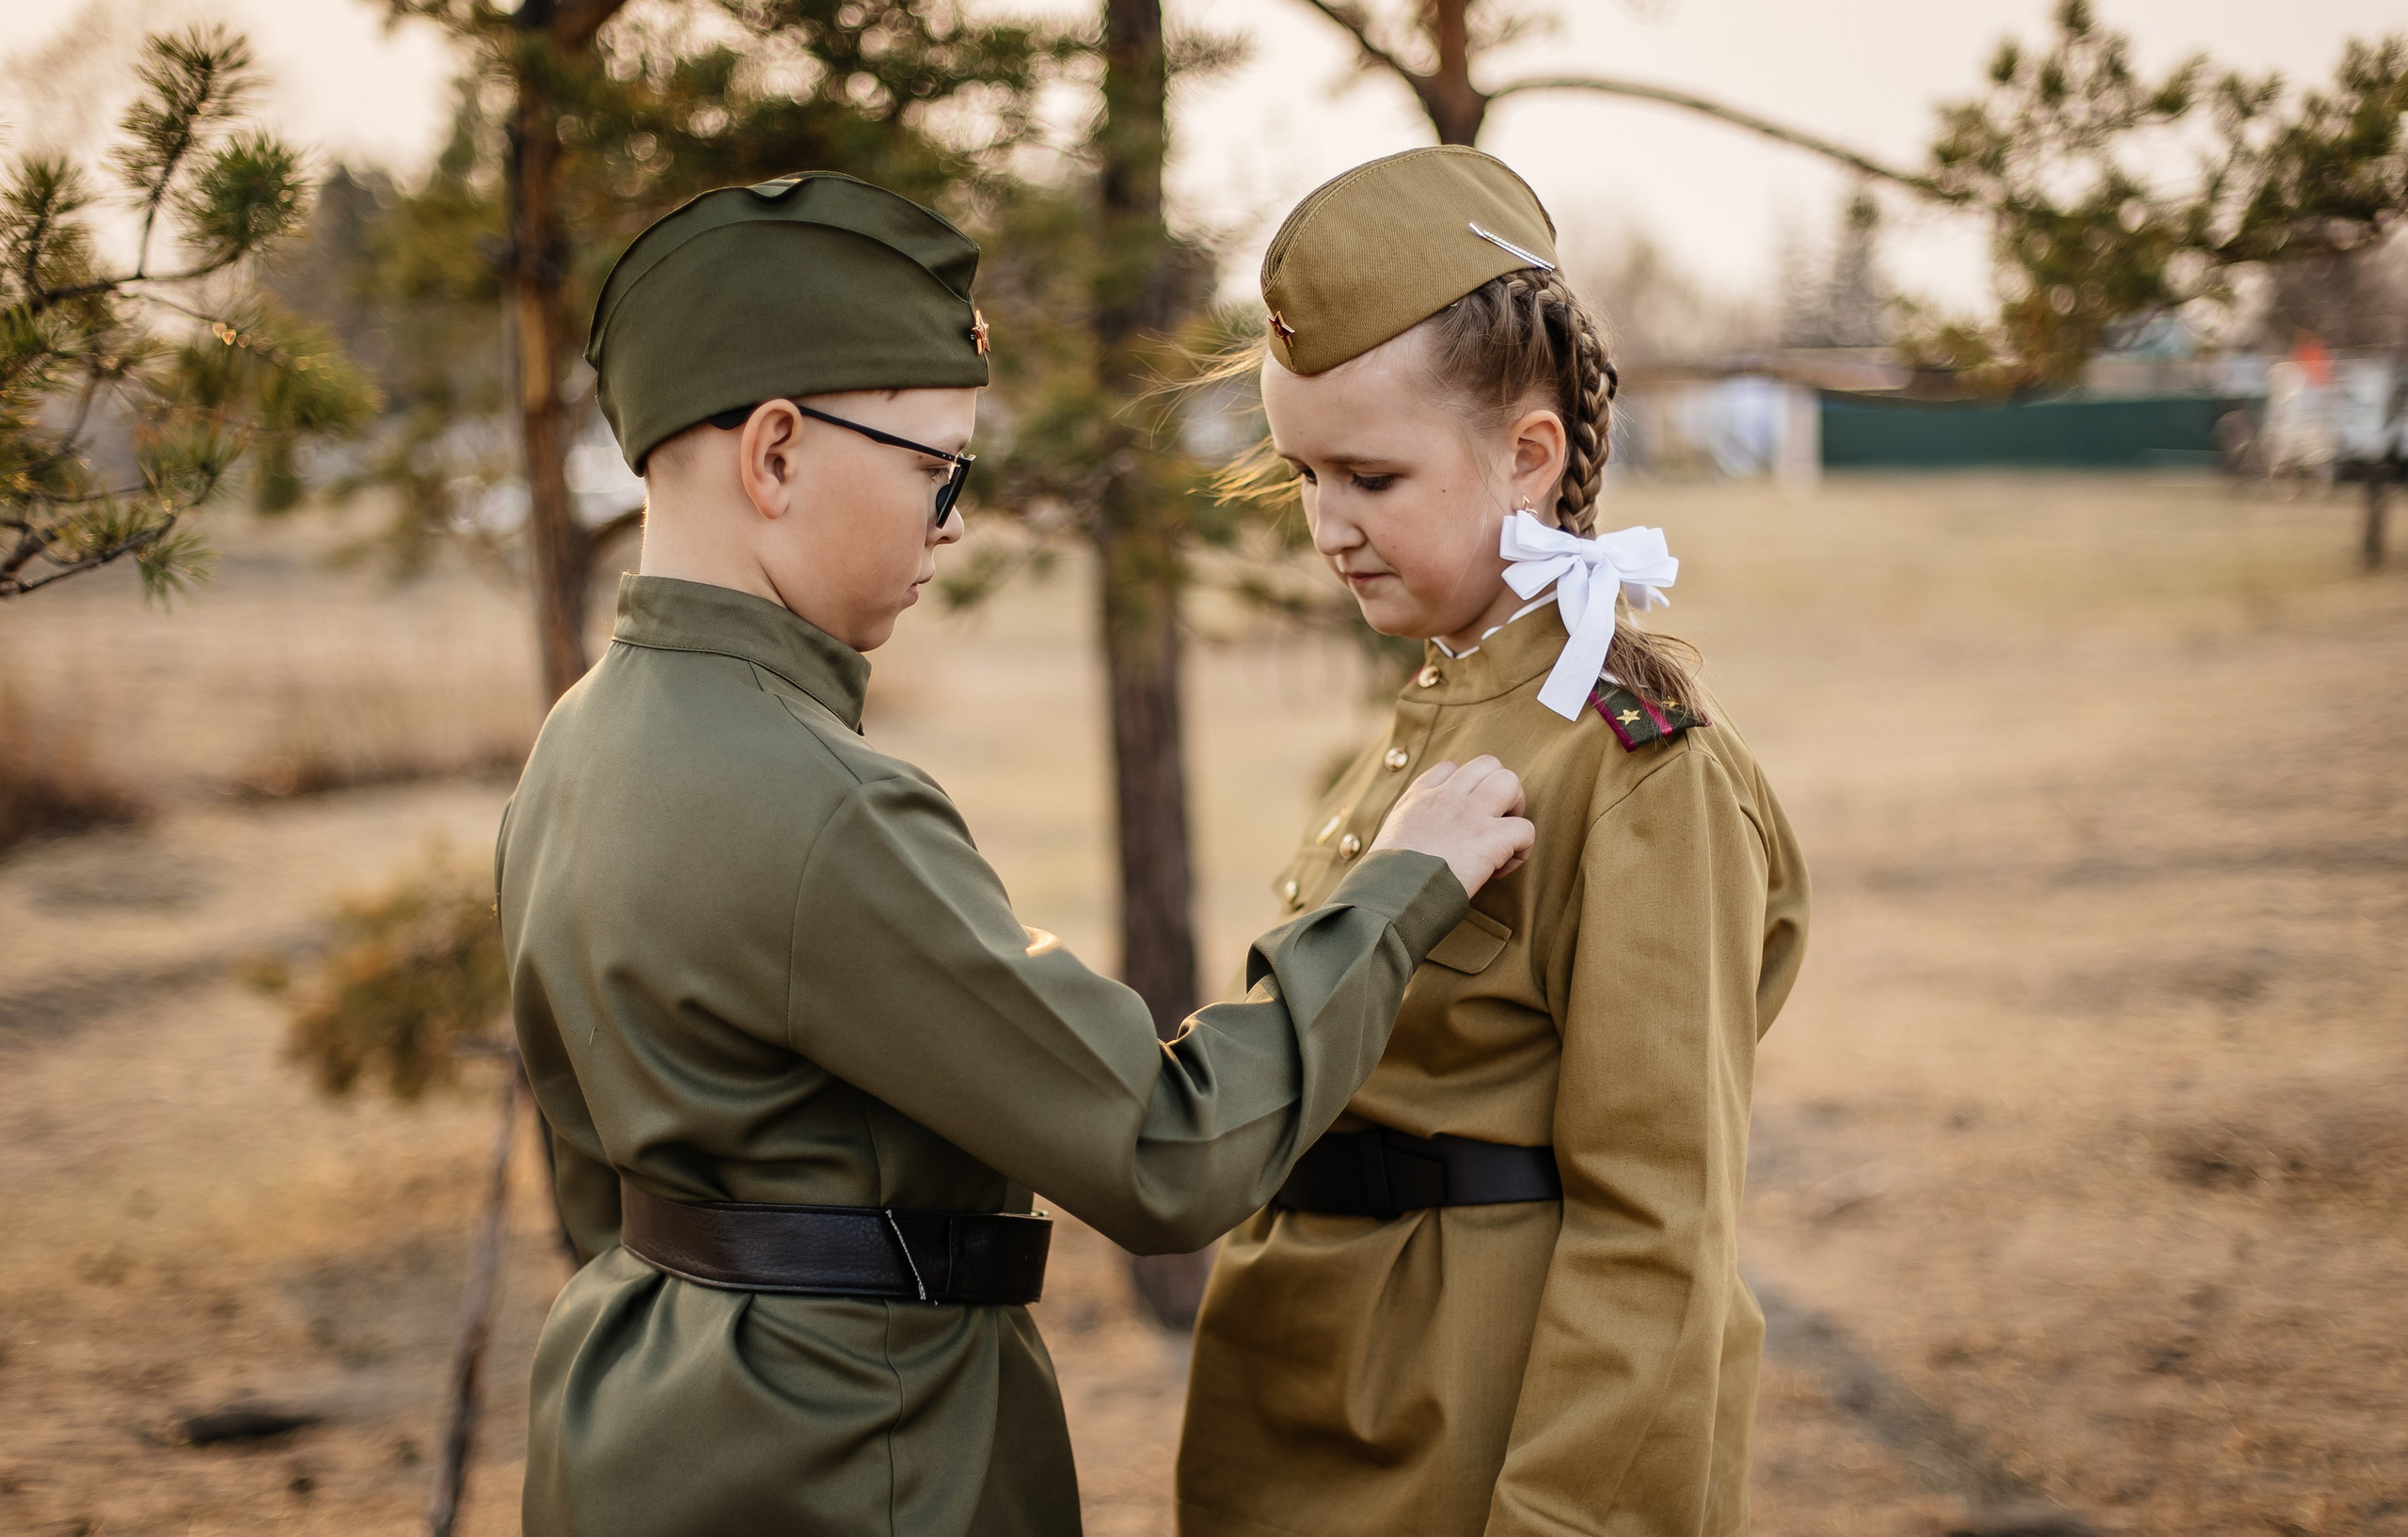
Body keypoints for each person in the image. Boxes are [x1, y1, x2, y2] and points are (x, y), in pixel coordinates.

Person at [495, 169, 1535, 1537]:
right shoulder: (825, 805)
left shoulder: (574, 746)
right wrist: (1402, 886)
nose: (954, 521)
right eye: (936, 470)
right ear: (776, 454)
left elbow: (599, 1185)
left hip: (623, 1431)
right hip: (857, 1461)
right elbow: (1169, 1150)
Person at [1174, 147, 1811, 1537]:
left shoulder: (1637, 768)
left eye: (1372, 475)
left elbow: (1660, 1227)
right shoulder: (1438, 716)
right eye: (1302, 475)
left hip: (1468, 1433)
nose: (1328, 525)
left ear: (1529, 457)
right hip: (1318, 1407)